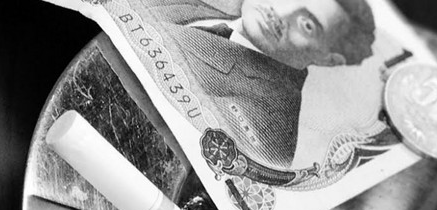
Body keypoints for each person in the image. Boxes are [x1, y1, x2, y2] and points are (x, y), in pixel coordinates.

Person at [148, 0, 376, 167]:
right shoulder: (196, 6)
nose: (279, 12)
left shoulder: (269, 125)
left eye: (306, 25)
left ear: (327, 59)